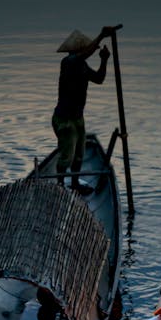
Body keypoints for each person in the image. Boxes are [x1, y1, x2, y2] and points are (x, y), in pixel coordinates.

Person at [52, 26, 115, 194]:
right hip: (64, 118)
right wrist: (101, 35)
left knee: (79, 153)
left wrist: (104, 60)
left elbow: (99, 79)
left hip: (77, 117)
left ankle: (74, 183)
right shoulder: (68, 62)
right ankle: (59, 186)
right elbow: (85, 54)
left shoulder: (82, 66)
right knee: (67, 155)